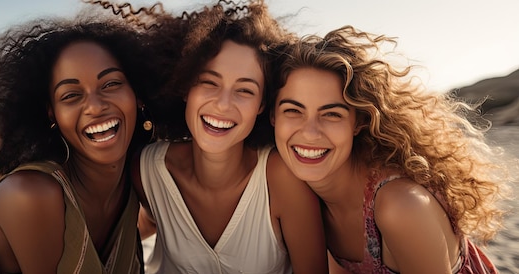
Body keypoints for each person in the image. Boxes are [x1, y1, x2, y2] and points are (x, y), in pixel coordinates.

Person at [100, 0, 328, 273]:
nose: (222, 104)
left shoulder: (281, 178)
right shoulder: (146, 170)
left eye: (244, 90)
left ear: (261, 105)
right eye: (209, 82)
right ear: (185, 86)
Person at [269, 25, 515, 273]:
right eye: (293, 110)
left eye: (332, 114)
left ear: (359, 122)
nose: (310, 132)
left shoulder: (400, 206)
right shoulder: (300, 193)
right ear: (272, 117)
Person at [0, 7, 162, 273]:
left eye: (111, 84)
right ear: (52, 113)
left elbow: (138, 227)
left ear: (138, 94)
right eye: (71, 95)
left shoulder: (135, 180)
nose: (95, 106)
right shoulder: (31, 195)